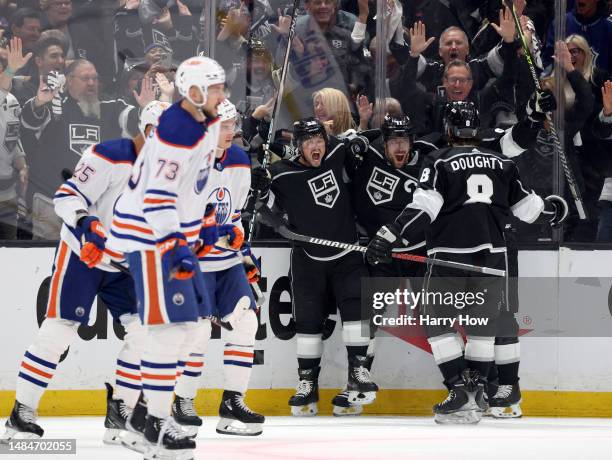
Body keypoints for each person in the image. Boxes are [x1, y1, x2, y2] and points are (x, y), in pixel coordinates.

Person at [365, 101, 568, 424]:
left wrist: (389, 233)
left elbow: (424, 207)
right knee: (483, 328)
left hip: (449, 258)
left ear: (448, 129)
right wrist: (555, 211)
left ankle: (459, 388)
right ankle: (476, 394)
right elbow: (529, 209)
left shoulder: (439, 161)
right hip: (493, 259)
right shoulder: (502, 164)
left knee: (436, 321)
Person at [1, 100, 169, 442]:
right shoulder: (108, 155)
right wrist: (87, 224)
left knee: (144, 334)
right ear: (150, 131)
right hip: (83, 255)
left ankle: (120, 411)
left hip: (123, 263)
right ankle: (22, 413)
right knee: (58, 331)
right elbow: (67, 197)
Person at [108, 55, 225, 459]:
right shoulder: (179, 130)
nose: (222, 95)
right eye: (215, 88)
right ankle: (152, 427)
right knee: (168, 332)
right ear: (194, 93)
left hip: (167, 233)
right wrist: (176, 243)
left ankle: (148, 415)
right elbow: (158, 199)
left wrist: (205, 219)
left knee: (192, 330)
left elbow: (193, 184)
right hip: (150, 236)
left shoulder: (201, 120)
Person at [256, 117, 377, 416]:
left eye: (319, 139)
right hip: (307, 259)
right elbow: (264, 211)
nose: (316, 146)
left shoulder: (336, 153)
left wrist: (359, 140)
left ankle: (358, 373)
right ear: (298, 145)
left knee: (356, 313)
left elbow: (366, 143)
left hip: (347, 254)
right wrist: (258, 189)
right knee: (308, 323)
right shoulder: (280, 175)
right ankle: (307, 384)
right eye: (309, 141)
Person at [171, 100, 265, 437]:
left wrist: (245, 252)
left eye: (231, 126)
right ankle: (182, 404)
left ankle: (232, 405)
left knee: (246, 323)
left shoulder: (240, 160)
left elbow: (235, 217)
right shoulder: (187, 163)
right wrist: (212, 232)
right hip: (194, 262)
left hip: (226, 264)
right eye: (222, 126)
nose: (229, 133)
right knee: (195, 334)